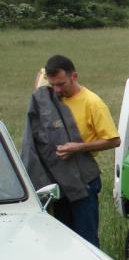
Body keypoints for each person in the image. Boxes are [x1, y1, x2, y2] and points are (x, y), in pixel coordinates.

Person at [22, 55, 120, 247]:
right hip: (58, 183)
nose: (57, 90)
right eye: (53, 85)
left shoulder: (92, 102)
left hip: (84, 182)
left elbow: (114, 140)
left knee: (87, 240)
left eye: (61, 84)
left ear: (74, 76)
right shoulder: (51, 98)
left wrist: (79, 147)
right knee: (62, 240)